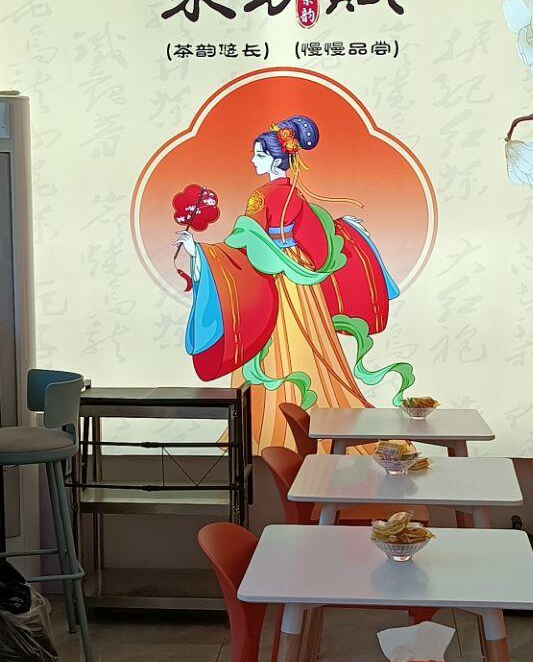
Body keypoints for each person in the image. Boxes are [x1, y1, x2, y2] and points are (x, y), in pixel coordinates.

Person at [174, 114, 412, 449]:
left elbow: (245, 241)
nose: (253, 160)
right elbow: (318, 240)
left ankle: (270, 428)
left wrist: (199, 251)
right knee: (308, 343)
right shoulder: (294, 195)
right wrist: (346, 228)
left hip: (273, 276)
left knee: (273, 342)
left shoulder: (260, 197)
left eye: (259, 154)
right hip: (300, 281)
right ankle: (311, 422)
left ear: (275, 159)